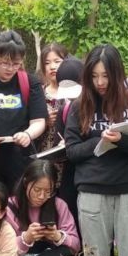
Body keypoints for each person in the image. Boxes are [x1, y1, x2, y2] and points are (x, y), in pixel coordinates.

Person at [64, 44, 128, 256]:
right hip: (93, 191)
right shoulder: (80, 105)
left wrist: (120, 139)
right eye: (94, 76)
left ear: (117, 73)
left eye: (105, 76)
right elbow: (72, 151)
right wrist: (99, 140)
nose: (100, 82)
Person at [0, 29, 48, 192]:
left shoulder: (30, 83)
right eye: (5, 63)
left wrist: (27, 134)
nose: (10, 69)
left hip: (19, 159)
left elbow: (39, 121)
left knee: (18, 203)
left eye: (16, 64)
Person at [5, 159, 80, 256]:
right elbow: (4, 248)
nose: (41, 196)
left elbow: (76, 245)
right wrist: (26, 238)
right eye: (37, 190)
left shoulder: (58, 205)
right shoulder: (10, 207)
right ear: (26, 183)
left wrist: (58, 236)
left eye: (48, 191)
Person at [54, 58, 84, 228]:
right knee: (70, 224)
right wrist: (61, 145)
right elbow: (58, 140)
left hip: (93, 176)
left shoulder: (100, 108)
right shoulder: (65, 110)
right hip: (70, 176)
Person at [37, 43, 69, 152]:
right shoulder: (38, 93)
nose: (52, 67)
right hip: (44, 154)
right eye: (47, 63)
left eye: (57, 61)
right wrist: (44, 122)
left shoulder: (74, 93)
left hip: (69, 152)